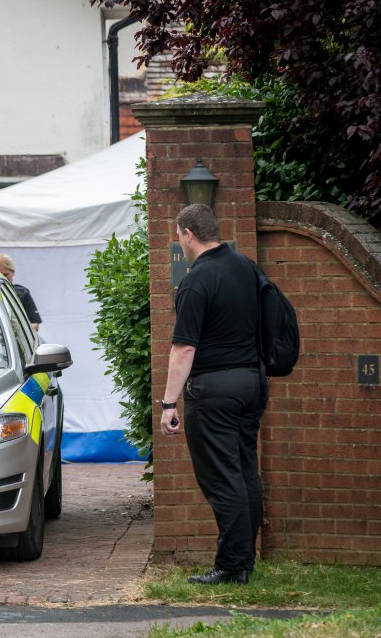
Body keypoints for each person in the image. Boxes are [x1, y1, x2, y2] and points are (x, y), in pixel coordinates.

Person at [159, 203, 266, 585]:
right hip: (252, 383)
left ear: (188, 232)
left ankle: (232, 564)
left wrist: (169, 402)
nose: (178, 241)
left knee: (222, 478)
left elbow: (184, 349)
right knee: (244, 471)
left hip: (214, 391)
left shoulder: (197, 279)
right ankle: (244, 562)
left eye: (178, 234)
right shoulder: (246, 268)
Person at [0, 254, 42, 331]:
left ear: (13, 272)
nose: (2, 278)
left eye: (5, 275)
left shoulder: (22, 294)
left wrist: (18, 331)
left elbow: (35, 324)